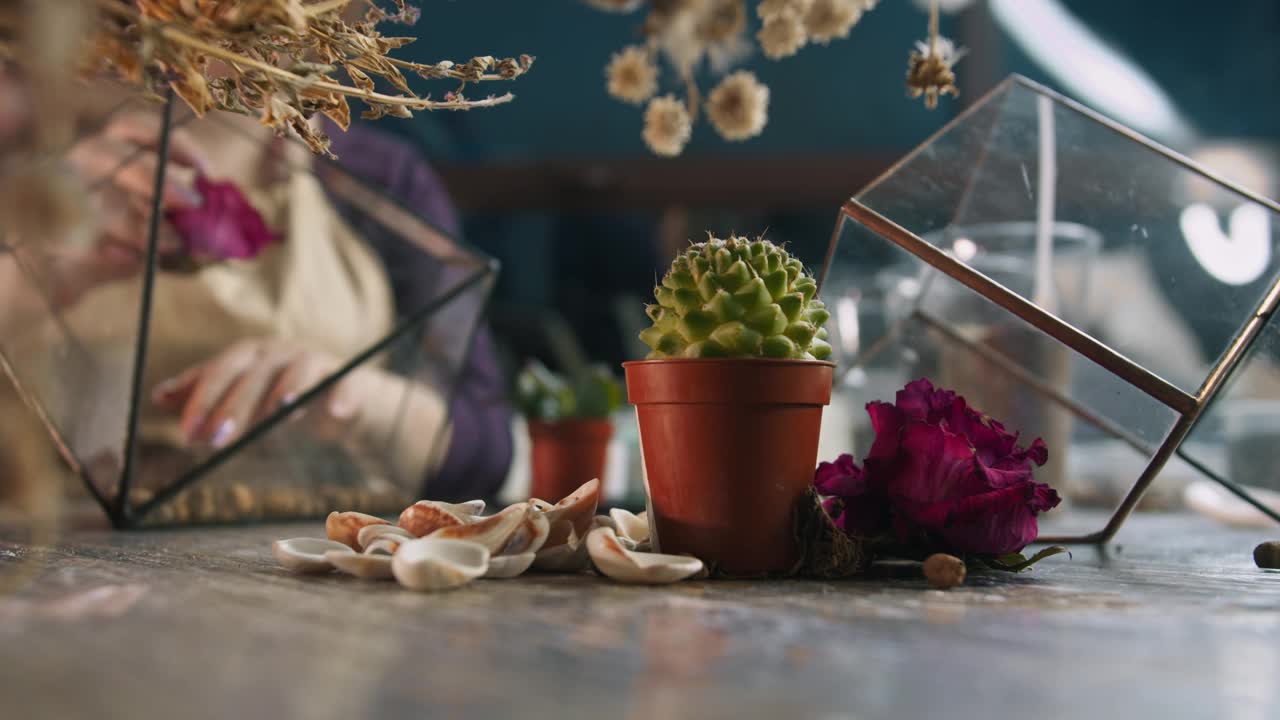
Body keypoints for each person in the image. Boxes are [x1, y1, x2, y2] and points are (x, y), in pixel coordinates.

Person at [0, 71, 512, 512]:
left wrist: (359, 402)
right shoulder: (24, 151)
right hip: (60, 574)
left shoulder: (384, 179)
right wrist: (30, 279)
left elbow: (485, 451)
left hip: (314, 582)